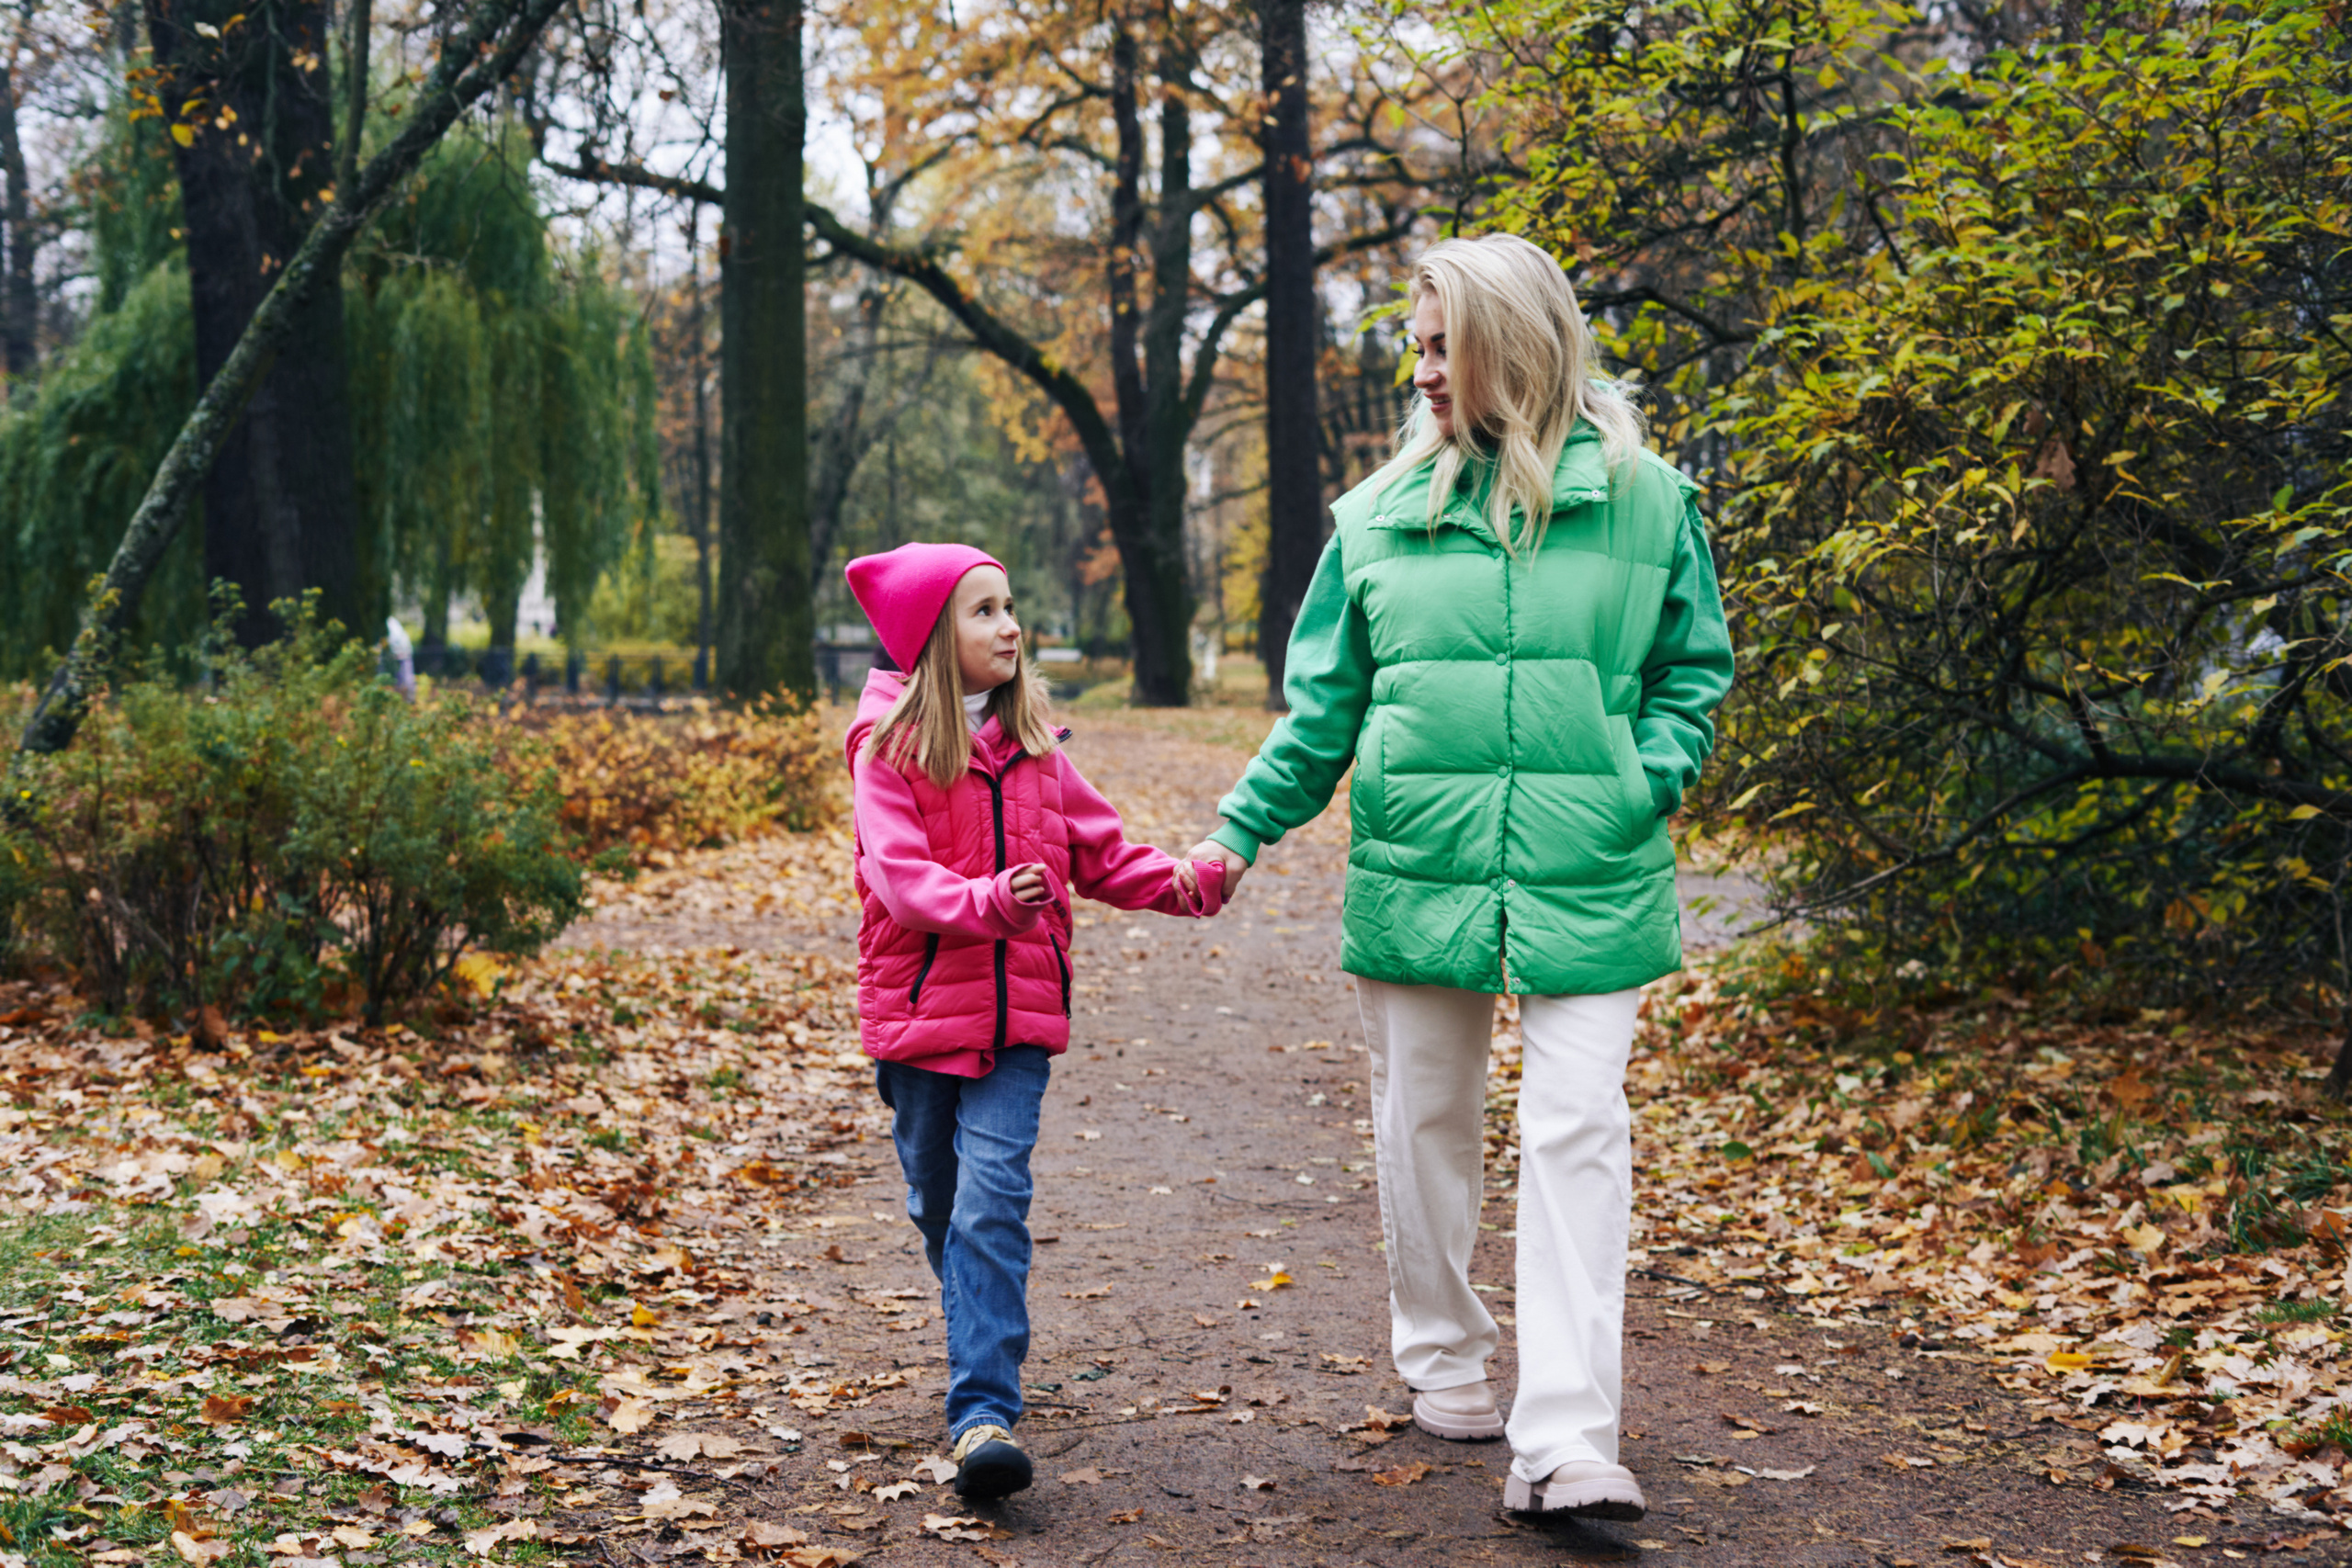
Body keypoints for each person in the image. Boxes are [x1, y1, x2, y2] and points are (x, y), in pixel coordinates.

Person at [1186, 233, 1733, 1521]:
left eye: (1444, 345)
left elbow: (1691, 670)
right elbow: (1320, 712)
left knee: (1578, 1127)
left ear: (1515, 347)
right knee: (1425, 1121)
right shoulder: (1374, 519)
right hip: (1418, 860)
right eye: (1416, 346)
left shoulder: (1654, 501)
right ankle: (1443, 1351)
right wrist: (1233, 833)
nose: (1420, 371)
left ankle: (1567, 1439)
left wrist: (1641, 774)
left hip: (1590, 857)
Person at [842, 542, 1227, 1501]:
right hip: (922, 1020)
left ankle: (981, 1415)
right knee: (939, 1205)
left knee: (989, 1205)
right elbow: (899, 879)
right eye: (983, 612)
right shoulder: (888, 748)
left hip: (1017, 1021)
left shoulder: (1039, 749)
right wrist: (990, 903)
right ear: (933, 637)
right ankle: (979, 1314)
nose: (1010, 626)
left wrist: (1185, 882)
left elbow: (1098, 852)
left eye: (1009, 606)